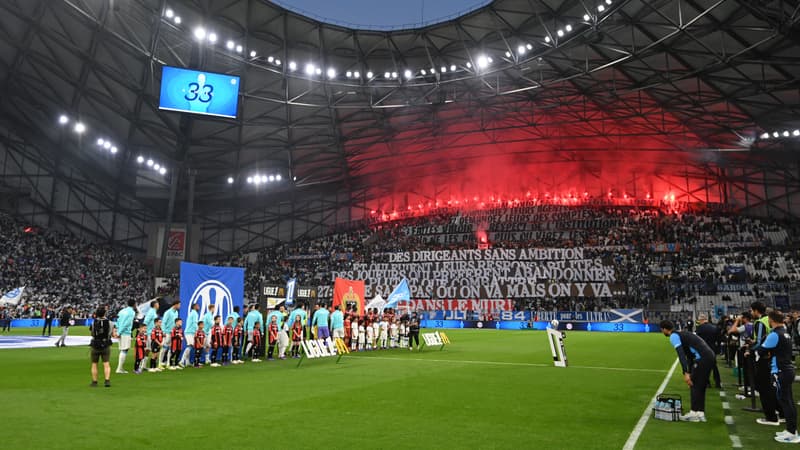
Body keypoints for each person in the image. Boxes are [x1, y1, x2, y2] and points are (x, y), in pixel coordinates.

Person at [659, 319, 714, 422]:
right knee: (701, 386)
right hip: (709, 356)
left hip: (702, 358)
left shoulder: (674, 336)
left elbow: (681, 355)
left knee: (693, 383)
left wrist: (686, 373)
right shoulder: (682, 334)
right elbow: (689, 356)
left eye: (662, 330)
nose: (662, 332)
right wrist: (689, 370)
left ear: (665, 329)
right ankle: (700, 413)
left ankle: (693, 412)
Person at [759, 311, 800, 443]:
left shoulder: (775, 334)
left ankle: (792, 433)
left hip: (780, 371)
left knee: (786, 402)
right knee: (788, 401)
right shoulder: (785, 332)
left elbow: (761, 350)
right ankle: (791, 430)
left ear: (771, 320)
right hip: (786, 369)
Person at [749, 301, 783, 426]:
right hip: (774, 356)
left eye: (752, 310)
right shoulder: (772, 325)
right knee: (771, 387)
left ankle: (771, 415)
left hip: (764, 357)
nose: (751, 312)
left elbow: (759, 342)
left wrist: (751, 350)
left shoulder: (761, 322)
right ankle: (780, 411)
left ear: (756, 310)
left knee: (764, 387)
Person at [89, 306, 115, 387]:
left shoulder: (93, 323)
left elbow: (92, 333)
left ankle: (94, 382)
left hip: (95, 345)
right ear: (105, 313)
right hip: (106, 344)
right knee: (106, 363)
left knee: (94, 364)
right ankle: (107, 380)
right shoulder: (110, 323)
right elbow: (111, 334)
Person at [695, 313, 721, 388]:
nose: (699, 322)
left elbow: (697, 340)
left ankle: (707, 383)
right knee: (714, 366)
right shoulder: (714, 327)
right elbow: (719, 339)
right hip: (713, 348)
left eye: (699, 320)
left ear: (701, 320)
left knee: (703, 366)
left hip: (703, 349)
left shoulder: (699, 328)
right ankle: (718, 382)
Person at [115, 299, 136, 374]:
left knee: (122, 349)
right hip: (125, 332)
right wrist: (120, 332)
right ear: (134, 304)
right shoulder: (132, 312)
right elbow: (127, 323)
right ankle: (119, 368)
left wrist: (117, 330)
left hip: (121, 331)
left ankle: (120, 368)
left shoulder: (122, 311)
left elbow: (117, 321)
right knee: (124, 350)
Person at [160, 300, 180, 369]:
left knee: (171, 348)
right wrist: (163, 332)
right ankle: (160, 363)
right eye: (179, 304)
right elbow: (163, 322)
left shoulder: (176, 312)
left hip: (173, 333)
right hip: (167, 332)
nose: (179, 306)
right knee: (164, 348)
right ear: (175, 304)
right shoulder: (168, 312)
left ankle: (168, 363)